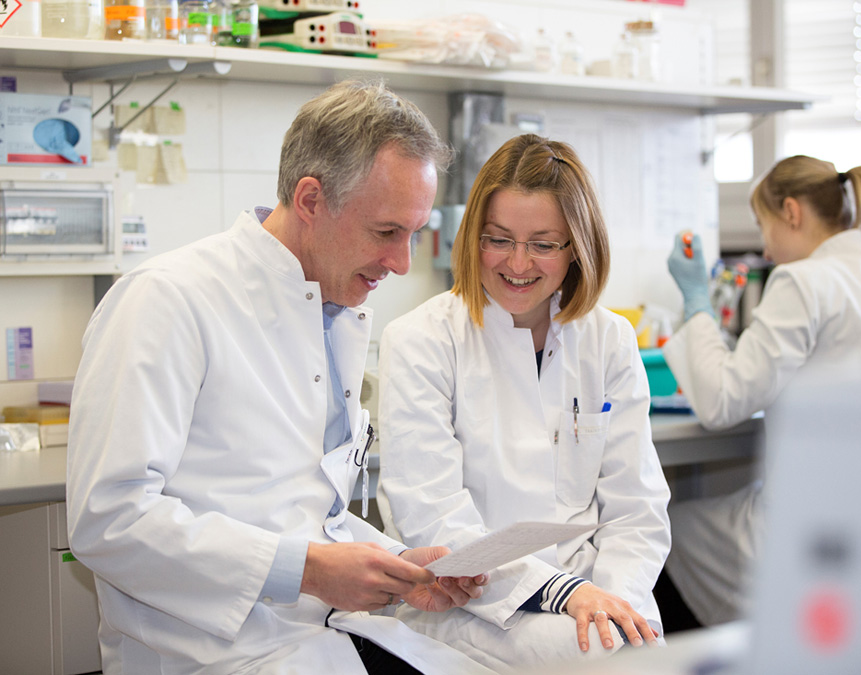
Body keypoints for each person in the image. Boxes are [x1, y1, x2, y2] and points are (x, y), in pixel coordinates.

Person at [65, 79, 495, 675]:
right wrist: (308, 570)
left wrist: (397, 565)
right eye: (386, 232)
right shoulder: (167, 300)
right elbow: (108, 519)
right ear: (312, 199)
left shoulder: (332, 311)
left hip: (322, 637)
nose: (401, 263)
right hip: (207, 655)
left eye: (414, 234)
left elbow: (304, 509)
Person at [375, 134, 672, 672]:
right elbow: (434, 520)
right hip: (472, 607)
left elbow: (637, 507)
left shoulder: (607, 338)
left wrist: (613, 600)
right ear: (473, 237)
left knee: (629, 651)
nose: (517, 263)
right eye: (498, 239)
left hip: (595, 597)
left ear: (578, 246)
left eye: (543, 243)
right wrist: (565, 595)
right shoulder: (421, 340)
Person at [661, 154, 861, 627]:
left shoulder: (802, 279)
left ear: (791, 212)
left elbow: (722, 402)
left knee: (662, 534)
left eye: (763, 225)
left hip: (809, 528)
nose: (766, 250)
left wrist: (697, 303)